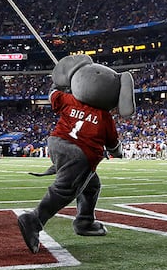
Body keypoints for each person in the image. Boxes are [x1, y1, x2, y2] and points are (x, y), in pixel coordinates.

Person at [17, 55, 132, 254]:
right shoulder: (104, 118)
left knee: (91, 185)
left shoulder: (70, 100)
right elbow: (113, 144)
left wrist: (59, 84)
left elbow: (52, 95)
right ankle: (34, 220)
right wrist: (118, 153)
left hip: (56, 144)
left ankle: (85, 221)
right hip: (80, 155)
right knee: (65, 189)